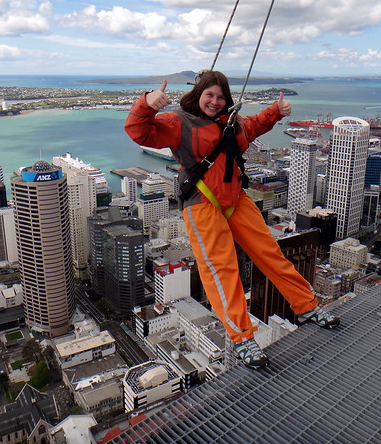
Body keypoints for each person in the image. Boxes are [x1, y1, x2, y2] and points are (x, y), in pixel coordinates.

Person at [125, 70, 339, 370]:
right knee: (222, 269)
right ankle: (241, 338)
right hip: (202, 202)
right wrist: (148, 103)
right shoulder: (180, 122)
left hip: (236, 197)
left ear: (227, 100)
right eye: (209, 95)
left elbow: (252, 126)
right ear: (198, 94)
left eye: (220, 96)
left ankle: (306, 305)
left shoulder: (231, 122)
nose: (214, 101)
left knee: (270, 253)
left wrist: (275, 112)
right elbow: (139, 131)